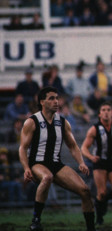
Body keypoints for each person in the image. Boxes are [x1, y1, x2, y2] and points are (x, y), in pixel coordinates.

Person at [18, 86, 96, 231]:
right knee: (47, 177)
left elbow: (73, 146)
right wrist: (26, 168)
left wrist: (81, 163)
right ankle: (36, 221)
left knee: (85, 191)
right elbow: (22, 148)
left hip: (56, 164)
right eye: (51, 98)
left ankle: (91, 228)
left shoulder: (63, 122)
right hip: (37, 163)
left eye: (57, 98)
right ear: (42, 102)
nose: (56, 101)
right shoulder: (32, 121)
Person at [81, 102, 112, 225]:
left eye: (108, 110)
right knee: (102, 192)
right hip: (100, 163)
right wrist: (91, 157)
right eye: (103, 110)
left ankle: (102, 202)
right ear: (99, 114)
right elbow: (84, 148)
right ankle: (99, 217)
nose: (106, 112)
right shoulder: (94, 129)